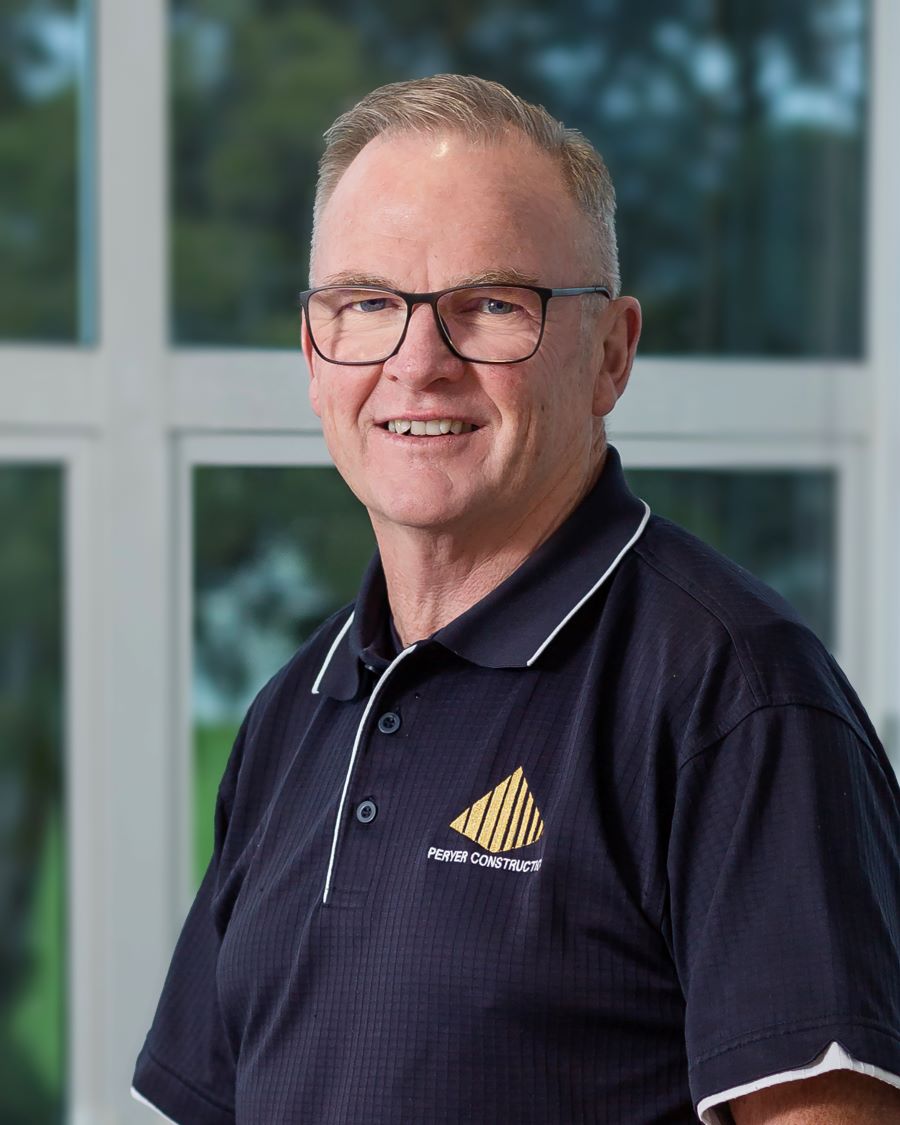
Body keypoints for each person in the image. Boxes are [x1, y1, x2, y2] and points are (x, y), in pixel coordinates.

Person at [132, 74, 900, 1124]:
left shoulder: (735, 696)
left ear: (612, 353)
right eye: (366, 305)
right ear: (314, 354)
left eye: (491, 305)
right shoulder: (292, 714)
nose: (418, 364)